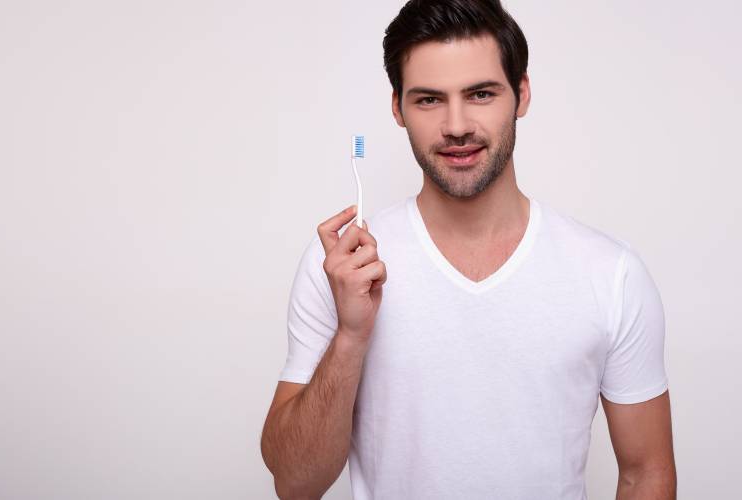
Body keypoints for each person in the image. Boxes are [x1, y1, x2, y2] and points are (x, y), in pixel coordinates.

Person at [260, 1, 676, 498]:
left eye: (480, 93)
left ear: (521, 94)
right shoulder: (344, 266)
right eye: (429, 100)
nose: (457, 125)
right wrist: (350, 337)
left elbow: (645, 473)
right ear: (398, 108)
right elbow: (294, 483)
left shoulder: (611, 274)